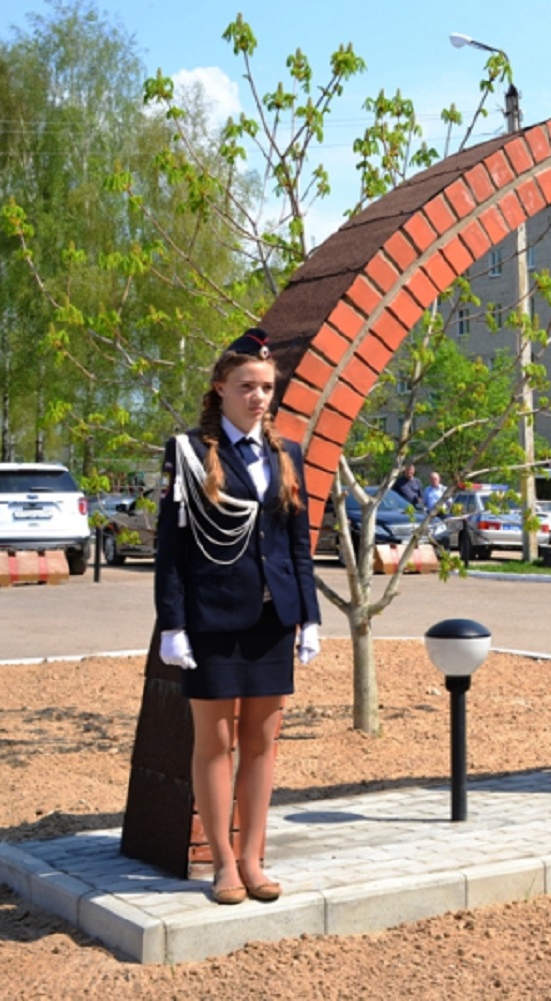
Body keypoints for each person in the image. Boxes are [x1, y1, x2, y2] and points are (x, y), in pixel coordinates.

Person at [155, 328, 322, 906]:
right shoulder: (188, 451)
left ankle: (254, 858)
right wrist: (172, 624)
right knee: (215, 739)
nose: (259, 398)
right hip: (212, 619)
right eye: (247, 386)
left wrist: (312, 616)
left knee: (262, 741)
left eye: (267, 388)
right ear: (220, 387)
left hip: (274, 620)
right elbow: (171, 548)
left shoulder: (286, 453)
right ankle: (223, 863)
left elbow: (298, 543)